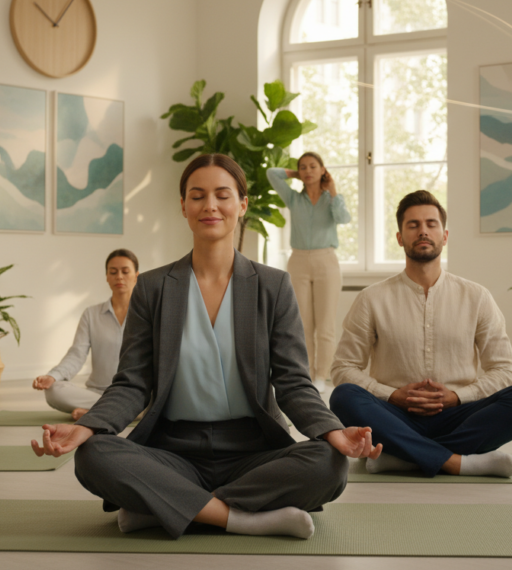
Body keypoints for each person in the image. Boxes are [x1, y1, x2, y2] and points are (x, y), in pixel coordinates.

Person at [31, 154, 381, 540]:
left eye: (222, 195)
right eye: (197, 196)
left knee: (328, 463)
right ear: (183, 206)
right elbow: (131, 383)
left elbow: (294, 383)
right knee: (94, 455)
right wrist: (88, 427)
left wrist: (333, 432)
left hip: (253, 451)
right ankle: (242, 518)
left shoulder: (273, 286)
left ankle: (166, 508)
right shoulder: (151, 288)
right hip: (172, 452)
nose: (210, 206)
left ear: (242, 205)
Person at [328, 190, 512, 478]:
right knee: (343, 397)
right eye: (413, 225)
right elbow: (343, 368)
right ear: (400, 237)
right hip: (394, 415)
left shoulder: (477, 297)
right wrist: (392, 395)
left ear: (445, 235)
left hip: (460, 414)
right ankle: (456, 461)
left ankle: (405, 457)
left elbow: (504, 370)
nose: (423, 231)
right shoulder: (371, 298)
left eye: (431, 224)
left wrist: (456, 396)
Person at [267, 153, 351, 387]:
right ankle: (307, 375)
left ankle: (321, 377)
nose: (307, 170)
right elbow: (271, 174)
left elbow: (344, 218)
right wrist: (298, 174)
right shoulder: (294, 199)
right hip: (299, 261)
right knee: (302, 324)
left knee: (325, 325)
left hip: (327, 260)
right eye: (303, 167)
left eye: (313, 166)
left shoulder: (331, 199)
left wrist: (332, 187)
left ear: (323, 169)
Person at [32, 249, 139, 421]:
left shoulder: (148, 313)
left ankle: (99, 412)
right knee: (54, 390)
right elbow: (77, 354)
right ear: (106, 276)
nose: (119, 276)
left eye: (125, 271)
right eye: (113, 272)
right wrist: (53, 376)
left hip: (135, 392)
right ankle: (117, 411)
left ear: (136, 276)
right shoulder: (91, 314)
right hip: (98, 393)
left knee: (162, 396)